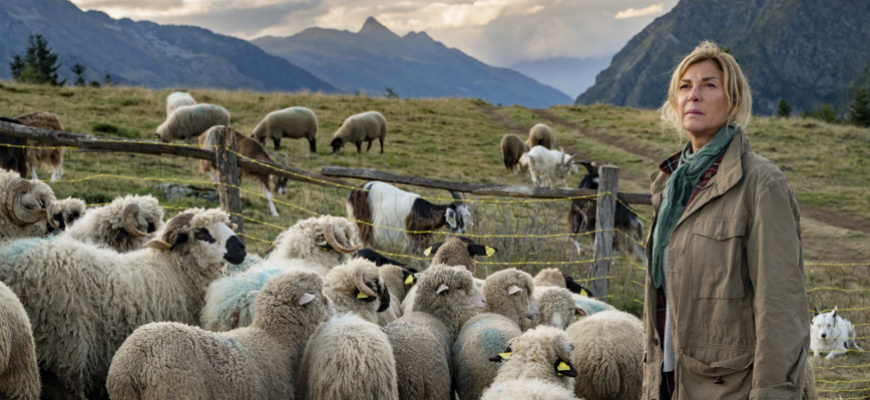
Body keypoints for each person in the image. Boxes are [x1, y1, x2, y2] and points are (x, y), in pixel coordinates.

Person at [642, 41, 810, 400]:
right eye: (685, 86)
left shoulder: (761, 183)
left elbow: (780, 304)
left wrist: (772, 392)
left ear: (733, 102)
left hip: (729, 388)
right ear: (674, 102)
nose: (694, 95)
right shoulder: (670, 185)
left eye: (709, 85)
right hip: (667, 378)